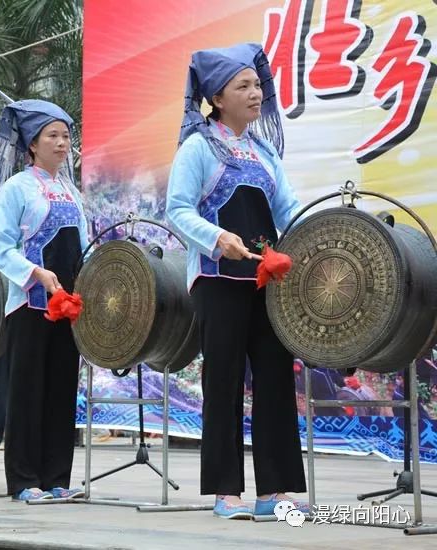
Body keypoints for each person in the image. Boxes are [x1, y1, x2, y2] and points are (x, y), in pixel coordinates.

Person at [165, 43, 307, 519]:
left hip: (268, 281)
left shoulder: (264, 151)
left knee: (274, 380)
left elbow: (287, 212)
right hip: (217, 279)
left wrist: (318, 235)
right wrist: (217, 237)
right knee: (223, 381)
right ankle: (227, 491)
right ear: (217, 98)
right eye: (242, 86)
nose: (255, 93)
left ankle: (276, 489)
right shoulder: (198, 147)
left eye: (256, 85)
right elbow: (178, 210)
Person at [0, 99, 88, 501]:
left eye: (66, 136)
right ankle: (25, 481)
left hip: (67, 305)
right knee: (27, 393)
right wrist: (36, 274)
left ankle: (58, 478)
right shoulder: (16, 188)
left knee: (62, 391)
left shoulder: (71, 191)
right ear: (32, 144)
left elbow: (83, 245)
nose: (63, 144)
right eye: (53, 136)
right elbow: (5, 248)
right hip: (29, 306)